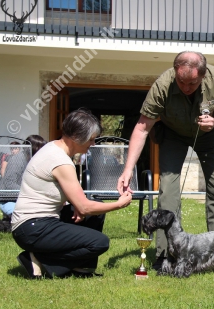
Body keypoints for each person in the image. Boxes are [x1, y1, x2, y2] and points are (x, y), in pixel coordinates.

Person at [117, 51, 214, 268]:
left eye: (192, 83)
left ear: (203, 75)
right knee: (168, 192)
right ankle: (165, 255)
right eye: (181, 81)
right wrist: (127, 170)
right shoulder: (162, 86)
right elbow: (142, 128)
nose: (186, 87)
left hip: (208, 135)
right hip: (172, 135)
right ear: (175, 72)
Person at [11, 109, 133, 279]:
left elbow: (74, 198)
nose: (93, 144)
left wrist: (77, 205)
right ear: (77, 137)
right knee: (100, 242)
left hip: (36, 223)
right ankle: (38, 258)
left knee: (95, 215)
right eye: (91, 139)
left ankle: (81, 268)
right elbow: (84, 206)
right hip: (32, 228)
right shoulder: (60, 161)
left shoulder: (53, 149)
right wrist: (119, 204)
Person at [0, 135, 47, 219]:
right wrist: (30, 192)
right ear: (34, 148)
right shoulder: (17, 161)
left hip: (24, 198)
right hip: (10, 199)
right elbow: (9, 183)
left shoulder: (32, 160)